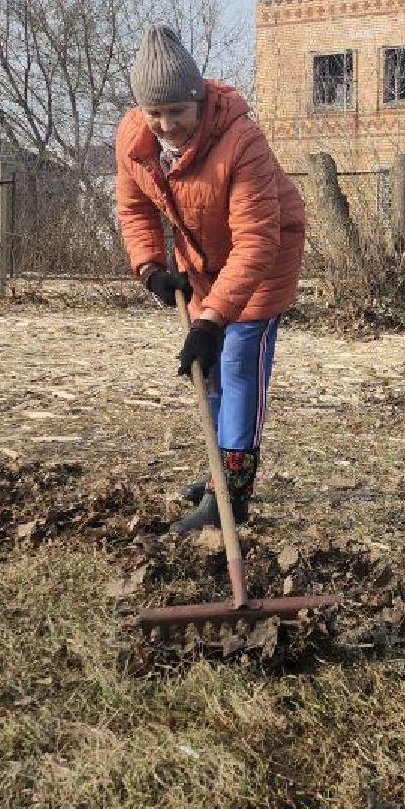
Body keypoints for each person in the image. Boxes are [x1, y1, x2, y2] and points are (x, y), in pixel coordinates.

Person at [115, 26, 307, 535]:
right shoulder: (134, 141)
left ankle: (235, 496)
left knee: (239, 364)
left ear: (197, 100)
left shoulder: (241, 140)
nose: (166, 124)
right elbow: (133, 210)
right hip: (204, 267)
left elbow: (257, 241)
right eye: (155, 113)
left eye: (177, 111)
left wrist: (211, 321)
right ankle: (220, 473)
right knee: (213, 373)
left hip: (264, 261)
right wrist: (151, 268)